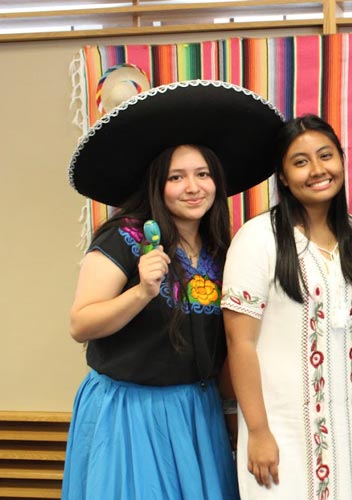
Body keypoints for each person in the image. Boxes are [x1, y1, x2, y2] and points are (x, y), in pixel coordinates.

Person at [63, 80, 285, 499]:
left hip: (195, 414)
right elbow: (81, 323)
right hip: (128, 415)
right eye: (177, 177)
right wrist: (141, 292)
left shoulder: (224, 251)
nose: (192, 187)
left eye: (202, 175)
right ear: (157, 186)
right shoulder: (123, 238)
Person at [221, 115, 352, 500]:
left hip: (350, 425)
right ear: (282, 177)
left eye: (325, 156)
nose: (317, 170)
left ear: (341, 161)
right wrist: (259, 431)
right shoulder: (257, 238)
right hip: (280, 427)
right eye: (300, 162)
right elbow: (240, 344)